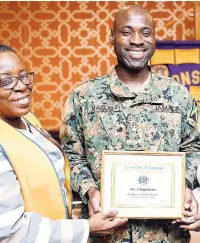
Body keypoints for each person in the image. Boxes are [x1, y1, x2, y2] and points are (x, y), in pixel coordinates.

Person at [60, 4, 200, 243]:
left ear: (154, 39)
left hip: (166, 235)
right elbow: (71, 156)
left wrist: (184, 185)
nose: (137, 40)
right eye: (127, 32)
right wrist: (91, 191)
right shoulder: (84, 96)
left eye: (146, 33)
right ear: (112, 37)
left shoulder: (179, 95)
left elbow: (193, 148)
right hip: (106, 234)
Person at [0, 44, 128, 243]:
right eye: (5, 81)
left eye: (23, 75)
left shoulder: (28, 122)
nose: (21, 86)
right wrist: (86, 228)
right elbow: (12, 230)